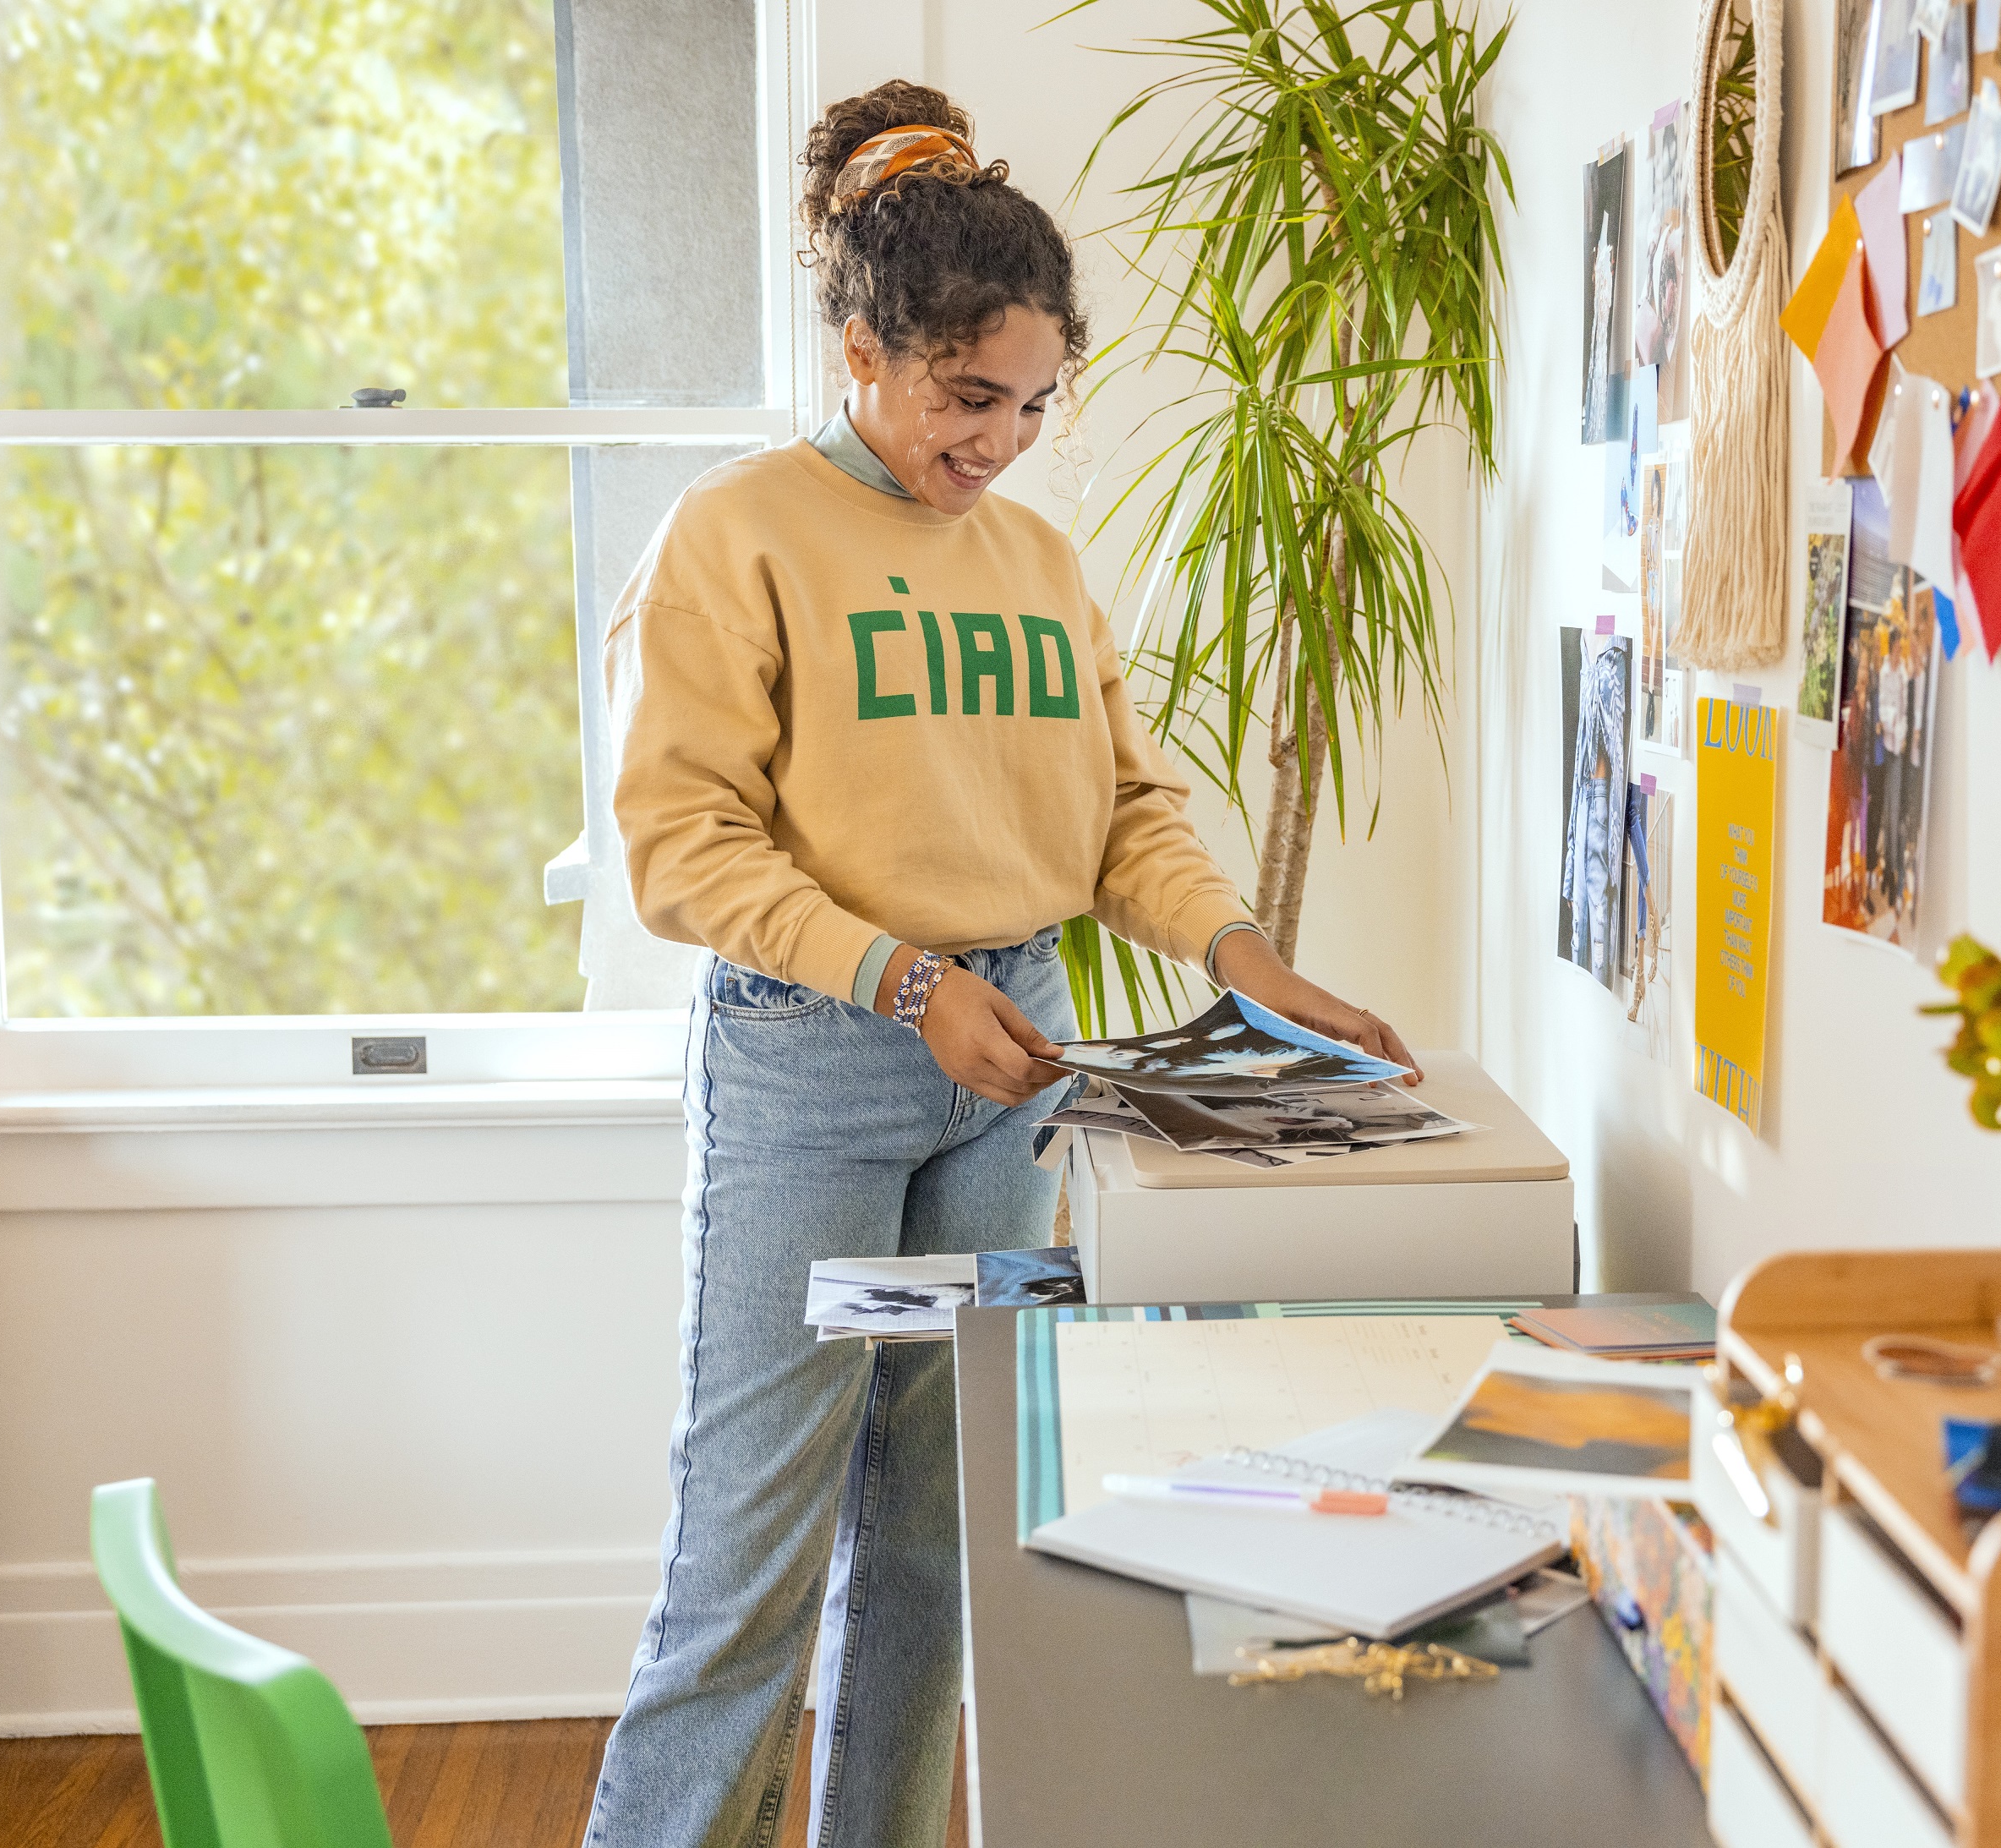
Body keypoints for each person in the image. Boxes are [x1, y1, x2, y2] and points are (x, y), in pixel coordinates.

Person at [584, 80, 1416, 1848]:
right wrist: (898, 981)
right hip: (815, 1062)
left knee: (935, 1532)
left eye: (1035, 402)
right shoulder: (733, 541)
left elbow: (1121, 815)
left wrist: (1242, 951)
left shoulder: (1039, 564)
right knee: (750, 1546)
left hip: (1013, 1062)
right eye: (970, 398)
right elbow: (683, 848)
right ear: (859, 344)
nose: (1005, 440)